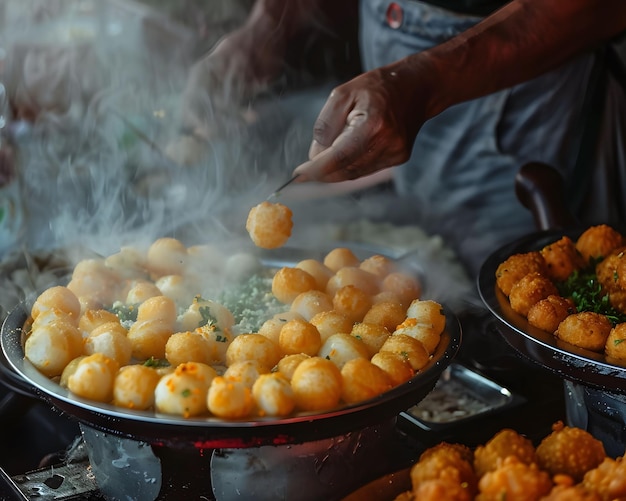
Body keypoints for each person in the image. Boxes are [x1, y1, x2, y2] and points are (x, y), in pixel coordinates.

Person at [180, 0, 626, 276]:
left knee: (511, 290)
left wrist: (423, 82)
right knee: (432, 262)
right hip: (391, 36)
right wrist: (268, 23)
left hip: (527, 78)